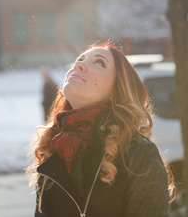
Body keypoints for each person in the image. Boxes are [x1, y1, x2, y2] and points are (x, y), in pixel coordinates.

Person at [27, 41, 174, 217]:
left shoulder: (139, 154)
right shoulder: (53, 149)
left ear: (116, 90)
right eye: (79, 59)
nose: (78, 64)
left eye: (99, 62)